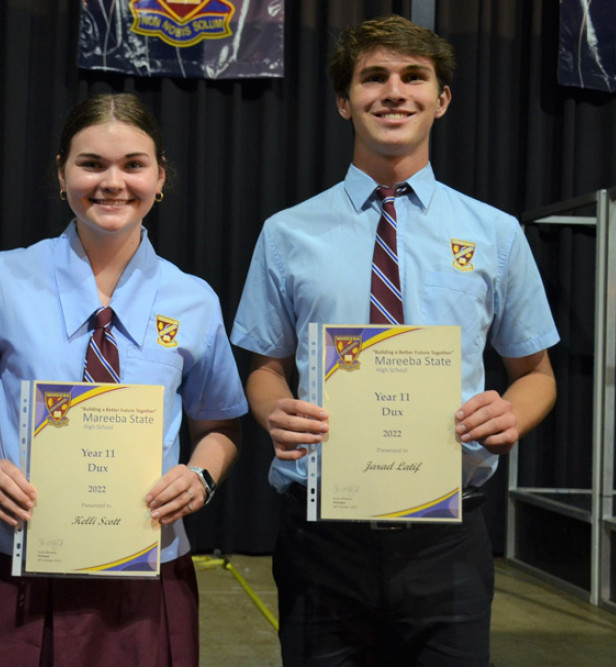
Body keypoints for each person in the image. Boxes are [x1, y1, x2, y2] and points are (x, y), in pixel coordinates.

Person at [230, 15, 559, 667]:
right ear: (344, 101)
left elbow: (537, 372)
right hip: (322, 532)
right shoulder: (288, 233)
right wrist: (275, 409)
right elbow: (265, 364)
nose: (393, 91)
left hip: (449, 534)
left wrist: (509, 412)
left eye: (414, 76)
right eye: (372, 76)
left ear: (442, 99)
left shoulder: (495, 234)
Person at [0, 93, 247, 666]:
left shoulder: (194, 298)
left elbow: (221, 423)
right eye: (91, 164)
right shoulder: (2, 278)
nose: (112, 182)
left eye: (133, 164)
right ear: (61, 173)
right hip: (14, 566)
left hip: (147, 572)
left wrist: (201, 476)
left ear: (160, 178)